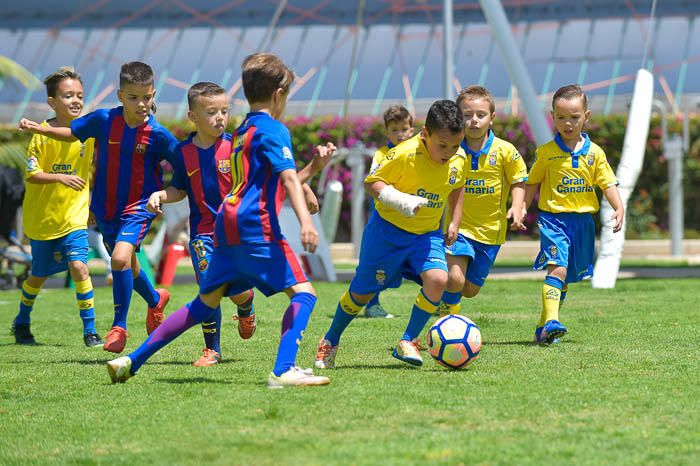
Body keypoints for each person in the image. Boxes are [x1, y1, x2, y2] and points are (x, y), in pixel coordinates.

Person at [106, 53, 335, 389]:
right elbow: (284, 179)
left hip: (225, 227)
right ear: (279, 93)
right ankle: (284, 369)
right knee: (305, 294)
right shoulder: (273, 129)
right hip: (256, 227)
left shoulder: (243, 131)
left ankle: (130, 361)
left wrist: (311, 172)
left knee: (204, 304)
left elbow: (260, 181)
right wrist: (306, 222)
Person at [147, 81, 333, 366]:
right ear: (192, 116)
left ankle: (246, 305)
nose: (219, 117)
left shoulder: (237, 145)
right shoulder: (183, 153)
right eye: (211, 112)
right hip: (203, 234)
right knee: (208, 290)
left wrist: (305, 187)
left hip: (237, 233)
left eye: (224, 110)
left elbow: (274, 175)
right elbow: (180, 189)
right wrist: (162, 194)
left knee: (237, 294)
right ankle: (212, 349)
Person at [20, 62, 180, 353]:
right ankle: (156, 300)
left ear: (153, 94)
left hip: (138, 208)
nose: (141, 104)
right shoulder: (104, 120)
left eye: (146, 97)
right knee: (128, 265)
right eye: (133, 97)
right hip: (106, 210)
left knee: (118, 260)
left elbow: (184, 167)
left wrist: (163, 195)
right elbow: (71, 132)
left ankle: (118, 327)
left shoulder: (159, 135)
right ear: (120, 96)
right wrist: (38, 128)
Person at [315, 99, 466, 369]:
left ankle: (408, 340)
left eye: (455, 145)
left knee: (438, 279)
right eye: (442, 145)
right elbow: (372, 183)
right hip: (387, 234)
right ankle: (331, 338)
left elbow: (457, 186)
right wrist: (402, 202)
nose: (449, 151)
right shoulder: (403, 154)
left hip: (426, 235)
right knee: (360, 295)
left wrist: (453, 221)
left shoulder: (458, 158)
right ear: (424, 134)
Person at [524, 84, 624, 344]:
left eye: (574, 117)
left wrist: (619, 207)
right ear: (553, 117)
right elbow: (532, 182)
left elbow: (607, 183)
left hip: (582, 223)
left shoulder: (595, 153)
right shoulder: (546, 153)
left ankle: (542, 327)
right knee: (556, 270)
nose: (567, 123)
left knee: (565, 278)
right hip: (553, 220)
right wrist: (521, 207)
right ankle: (552, 322)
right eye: (561, 117)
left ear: (586, 117)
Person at [12, 66, 104, 347]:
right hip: (43, 219)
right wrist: (61, 177)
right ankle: (22, 321)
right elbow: (31, 174)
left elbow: (95, 169)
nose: (75, 100)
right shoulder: (41, 134)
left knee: (80, 267)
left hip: (74, 216)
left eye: (79, 95)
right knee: (38, 277)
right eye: (68, 96)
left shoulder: (88, 132)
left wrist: (92, 205)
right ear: (53, 102)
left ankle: (90, 332)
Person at [438, 85, 528, 316]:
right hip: (459, 228)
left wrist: (517, 207)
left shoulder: (505, 151)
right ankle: (447, 322)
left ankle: (439, 298)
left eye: (480, 115)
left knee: (470, 290)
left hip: (491, 233)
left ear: (492, 118)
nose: (474, 121)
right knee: (455, 279)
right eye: (467, 115)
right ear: (458, 117)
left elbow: (519, 180)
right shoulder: (452, 150)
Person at [363, 105, 415, 319]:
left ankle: (438, 302)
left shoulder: (419, 154)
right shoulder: (382, 155)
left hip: (413, 220)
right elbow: (374, 183)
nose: (400, 134)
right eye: (394, 130)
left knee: (414, 263)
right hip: (384, 219)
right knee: (376, 263)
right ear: (386, 132)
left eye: (404, 129)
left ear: (411, 130)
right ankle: (372, 305)